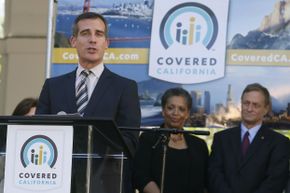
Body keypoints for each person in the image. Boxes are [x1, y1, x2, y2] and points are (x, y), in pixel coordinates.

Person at [36, 12, 141, 193]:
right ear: (73, 41)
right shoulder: (52, 86)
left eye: (99, 34)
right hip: (58, 181)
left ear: (106, 43)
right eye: (85, 33)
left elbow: (130, 142)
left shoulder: (125, 87)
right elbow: (39, 134)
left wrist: (90, 142)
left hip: (107, 183)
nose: (92, 39)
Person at [208, 83, 290, 193]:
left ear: (266, 109)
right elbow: (214, 175)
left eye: (256, 105)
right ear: (241, 104)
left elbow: (275, 182)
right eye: (246, 103)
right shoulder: (221, 138)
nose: (249, 109)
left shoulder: (279, 142)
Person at [133, 87, 208, 193]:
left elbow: (206, 182)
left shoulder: (199, 145)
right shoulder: (148, 139)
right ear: (163, 111)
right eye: (170, 108)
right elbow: (140, 175)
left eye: (181, 109)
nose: (175, 113)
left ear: (187, 114)